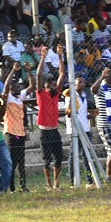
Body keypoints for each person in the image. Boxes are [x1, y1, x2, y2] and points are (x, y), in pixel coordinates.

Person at [36, 45, 65, 190]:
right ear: (46, 86)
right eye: (52, 85)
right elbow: (39, 75)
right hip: (44, 131)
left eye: (55, 85)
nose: (55, 87)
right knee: (46, 159)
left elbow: (62, 74)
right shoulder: (42, 94)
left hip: (55, 130)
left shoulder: (55, 94)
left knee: (59, 157)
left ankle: (56, 182)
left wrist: (59, 56)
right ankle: (48, 184)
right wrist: (42, 57)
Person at [2, 62, 34, 193]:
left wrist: (29, 71)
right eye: (15, 87)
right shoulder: (8, 97)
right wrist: (13, 71)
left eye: (19, 86)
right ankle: (11, 187)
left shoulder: (19, 97)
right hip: (11, 132)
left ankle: (23, 185)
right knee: (12, 161)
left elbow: (32, 86)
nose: (18, 88)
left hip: (20, 132)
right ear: (11, 89)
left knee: (21, 161)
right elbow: (5, 86)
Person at [91, 67, 111, 184]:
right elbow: (93, 90)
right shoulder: (101, 89)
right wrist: (102, 77)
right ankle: (109, 177)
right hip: (105, 124)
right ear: (107, 77)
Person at [64, 76, 94, 187]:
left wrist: (88, 116)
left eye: (83, 82)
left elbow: (82, 111)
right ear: (74, 85)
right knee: (73, 155)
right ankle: (72, 181)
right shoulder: (70, 96)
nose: (82, 84)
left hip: (85, 128)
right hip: (75, 130)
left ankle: (89, 181)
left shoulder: (84, 95)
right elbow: (68, 113)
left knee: (87, 155)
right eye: (79, 82)